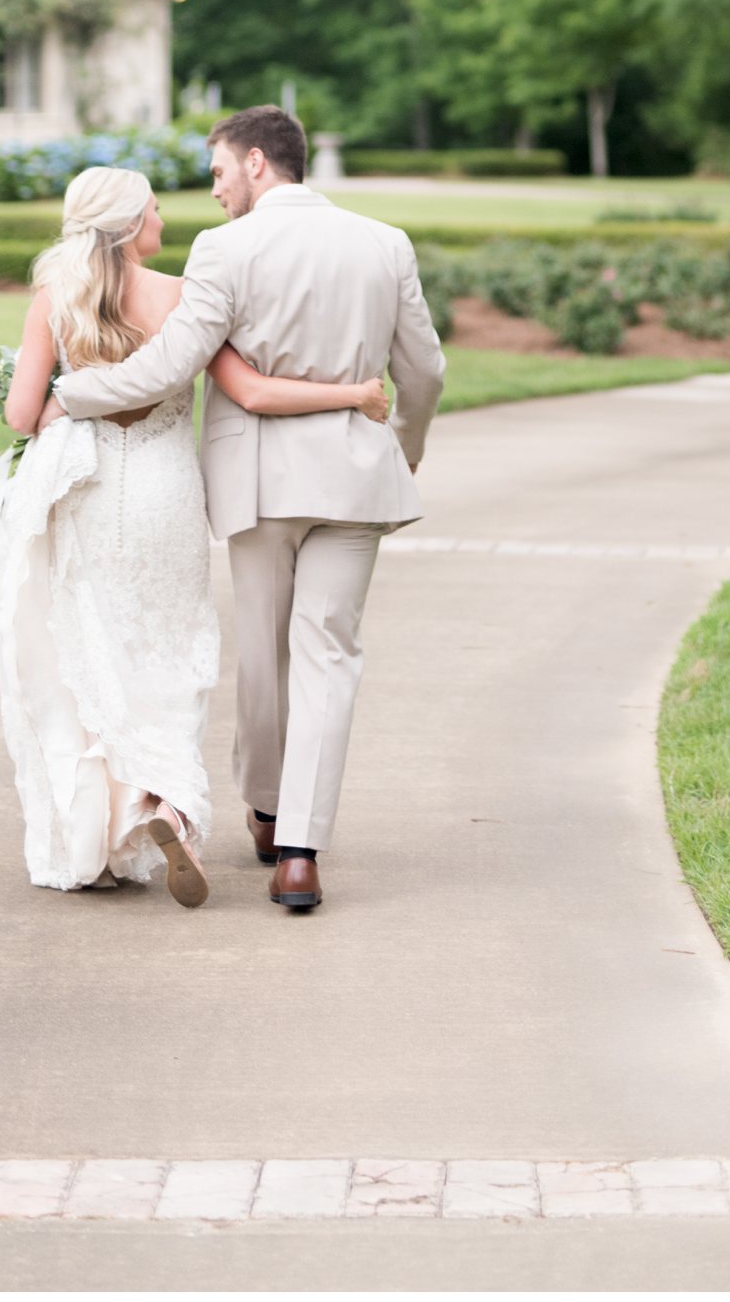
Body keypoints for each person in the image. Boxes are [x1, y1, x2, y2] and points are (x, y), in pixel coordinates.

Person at [52, 105, 445, 914]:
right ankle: (298, 852)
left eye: (221, 170)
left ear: (260, 162)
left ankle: (267, 810)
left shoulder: (225, 249)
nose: (216, 188)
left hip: (263, 484)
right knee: (331, 653)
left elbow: (169, 365)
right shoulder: (385, 242)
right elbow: (426, 370)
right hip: (357, 479)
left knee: (265, 653)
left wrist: (67, 393)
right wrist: (401, 446)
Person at [0, 164, 392, 907]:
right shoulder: (179, 295)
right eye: (155, 211)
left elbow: (20, 413)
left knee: (96, 652)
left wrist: (59, 406)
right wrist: (355, 394)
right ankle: (165, 803)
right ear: (134, 222)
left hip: (90, 496)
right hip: (166, 499)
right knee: (170, 651)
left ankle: (105, 828)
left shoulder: (55, 297)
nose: (165, 222)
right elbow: (252, 391)